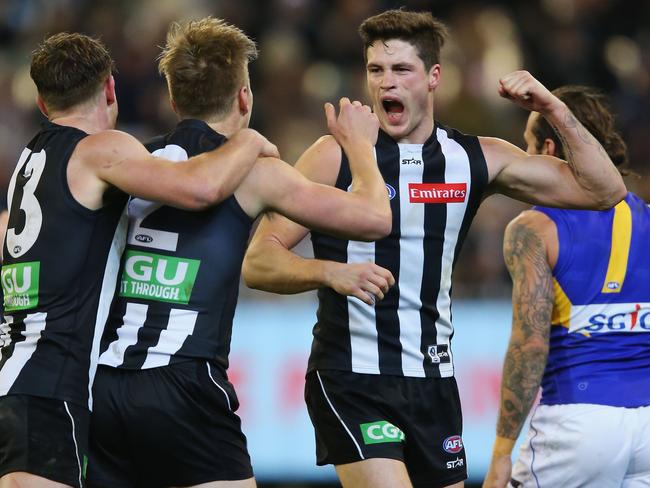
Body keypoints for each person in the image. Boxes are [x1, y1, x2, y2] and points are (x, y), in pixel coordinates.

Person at [242, 9, 627, 488]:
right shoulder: (335, 154)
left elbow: (604, 191)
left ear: (433, 78)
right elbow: (259, 259)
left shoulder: (474, 157)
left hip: (433, 383)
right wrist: (329, 273)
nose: (386, 85)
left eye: (401, 70)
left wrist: (551, 106)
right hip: (350, 377)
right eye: (376, 70)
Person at [88, 17, 391, 488]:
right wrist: (360, 148)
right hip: (184, 382)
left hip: (104, 386)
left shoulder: (133, 165)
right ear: (244, 98)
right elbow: (375, 217)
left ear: (174, 100)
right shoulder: (256, 172)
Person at [0, 31, 279, 488]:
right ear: (111, 88)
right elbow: (199, 188)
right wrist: (247, 143)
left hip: (17, 374)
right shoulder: (100, 150)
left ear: (42, 101)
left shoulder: (31, 158)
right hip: (51, 384)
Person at [483, 86, 650, 488]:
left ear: (549, 148)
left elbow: (530, 344)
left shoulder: (534, 228)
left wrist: (502, 452)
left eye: (527, 147)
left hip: (576, 422)